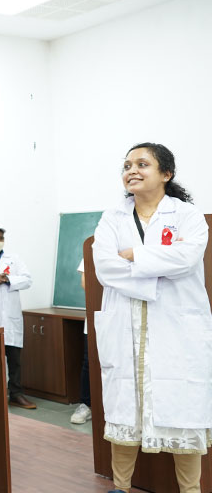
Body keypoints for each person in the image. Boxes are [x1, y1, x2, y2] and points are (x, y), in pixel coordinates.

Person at [93, 142, 211, 493]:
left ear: (166, 173)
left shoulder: (187, 216)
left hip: (177, 330)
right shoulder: (112, 217)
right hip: (124, 326)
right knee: (125, 411)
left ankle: (190, 491)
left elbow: (187, 259)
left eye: (142, 164)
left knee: (183, 412)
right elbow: (105, 268)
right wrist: (158, 266)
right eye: (127, 165)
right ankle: (120, 487)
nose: (132, 170)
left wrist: (134, 255)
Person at [0, 223, 36, 410]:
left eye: (0, 238)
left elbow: (27, 280)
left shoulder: (14, 259)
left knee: (15, 360)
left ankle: (16, 394)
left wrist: (9, 279)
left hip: (11, 318)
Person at [70, 258, 92, 425]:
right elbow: (85, 283)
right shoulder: (92, 249)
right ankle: (86, 405)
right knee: (89, 362)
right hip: (95, 312)